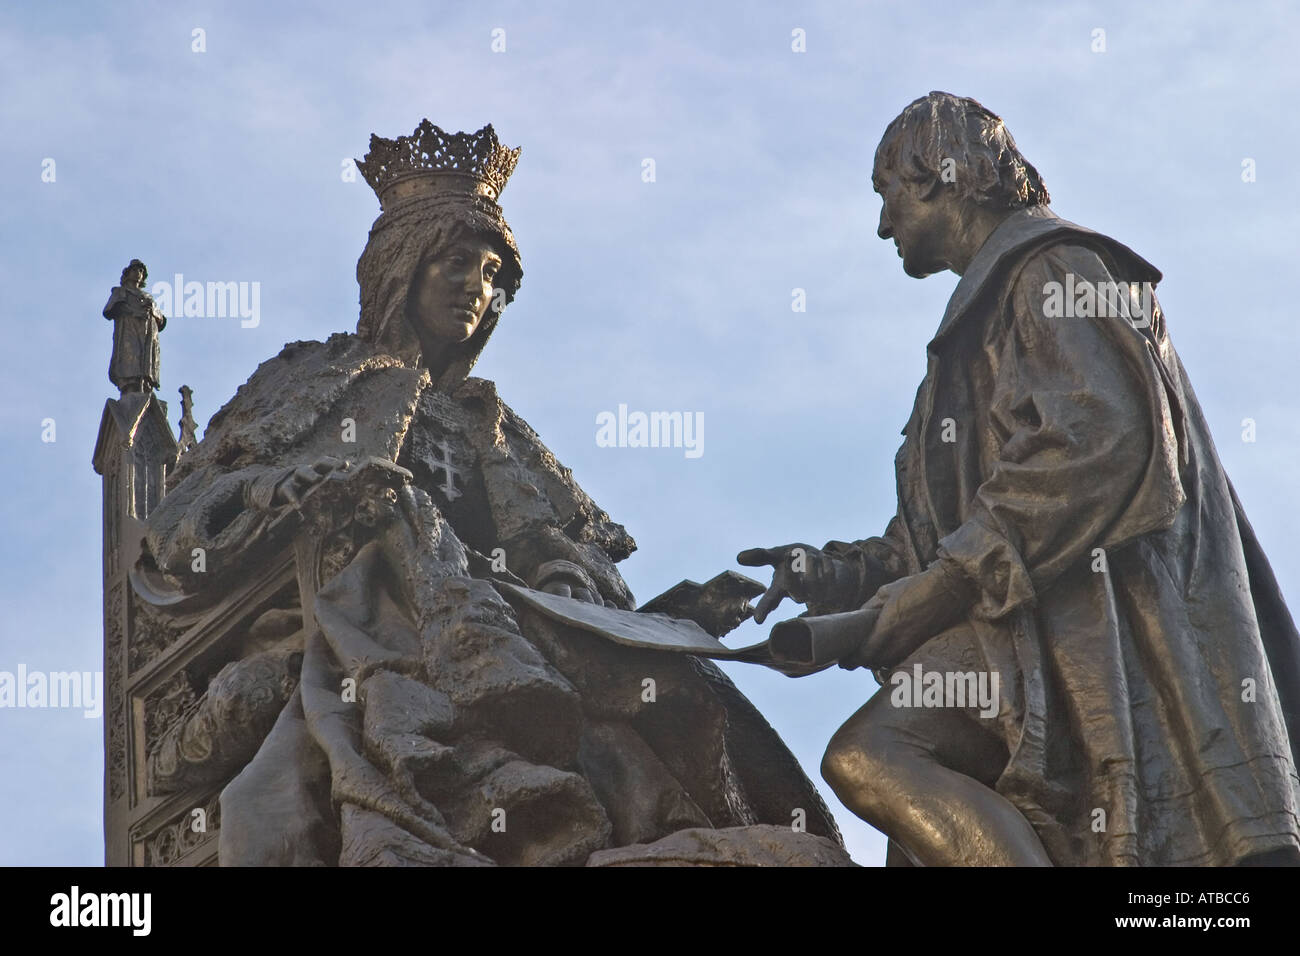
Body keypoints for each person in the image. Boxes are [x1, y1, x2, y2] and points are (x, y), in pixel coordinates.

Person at [139, 121, 843, 866]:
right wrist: (292, 487)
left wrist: (667, 616)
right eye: (454, 264)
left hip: (514, 630)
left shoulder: (491, 423)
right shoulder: (314, 379)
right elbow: (189, 516)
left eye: (488, 274)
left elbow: (557, 558)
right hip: (362, 622)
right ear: (399, 268)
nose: (474, 289)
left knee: (663, 703)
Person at [740, 92, 1300, 866]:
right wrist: (832, 573)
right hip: (1019, 625)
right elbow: (933, 536)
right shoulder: (983, 321)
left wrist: (946, 583)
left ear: (940, 175)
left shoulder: (1056, 267)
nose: (881, 224)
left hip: (1077, 631)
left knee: (870, 753)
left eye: (888, 194)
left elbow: (1097, 441)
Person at [104, 259, 166, 392]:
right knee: (130, 357)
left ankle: (146, 383)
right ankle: (130, 384)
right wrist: (133, 311)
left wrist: (152, 310)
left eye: (141, 271)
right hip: (129, 330)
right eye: (135, 270)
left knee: (146, 360)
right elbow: (110, 310)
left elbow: (161, 319)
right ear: (128, 273)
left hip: (148, 333)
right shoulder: (120, 292)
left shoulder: (148, 297)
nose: (139, 273)